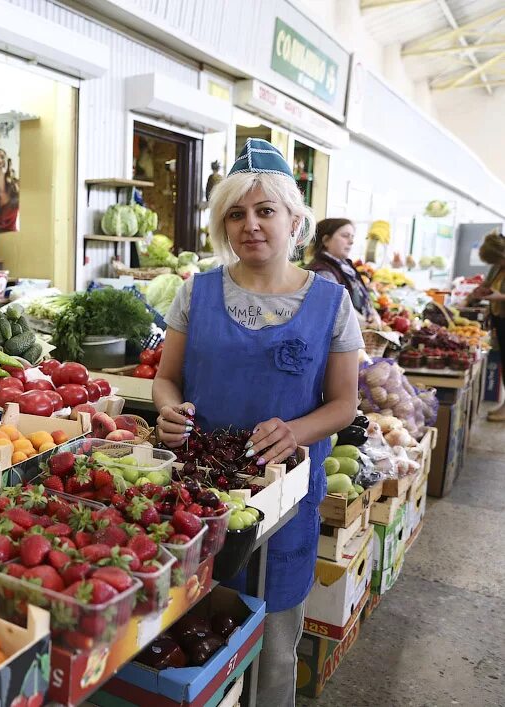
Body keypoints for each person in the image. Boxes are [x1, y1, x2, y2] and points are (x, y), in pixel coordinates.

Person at [154, 138, 361, 707]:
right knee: (193, 638)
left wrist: (296, 432)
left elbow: (344, 404)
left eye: (265, 210)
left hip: (285, 504)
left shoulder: (332, 303)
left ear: (295, 220)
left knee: (273, 648)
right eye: (236, 214)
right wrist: (170, 408)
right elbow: (167, 378)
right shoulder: (196, 293)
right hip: (197, 501)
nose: (251, 225)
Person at [307, 218, 378, 323]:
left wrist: (373, 314)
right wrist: (368, 323)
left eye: (352, 237)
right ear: (326, 240)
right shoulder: (323, 273)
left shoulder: (345, 266)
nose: (351, 241)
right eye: (345, 236)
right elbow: (337, 310)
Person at [466, 230, 505, 421]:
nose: (496, 265)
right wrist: (480, 291)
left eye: (497, 261)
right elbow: (489, 284)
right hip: (499, 318)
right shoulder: (497, 267)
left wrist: (500, 297)